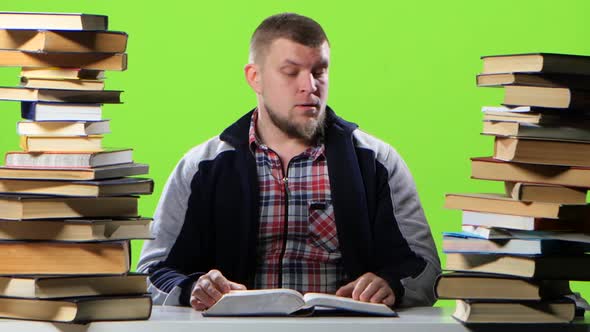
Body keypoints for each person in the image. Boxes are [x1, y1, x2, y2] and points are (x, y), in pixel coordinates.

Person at [137, 12, 441, 310]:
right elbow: (150, 273)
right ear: (255, 78)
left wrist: (390, 284)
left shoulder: (377, 162)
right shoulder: (201, 167)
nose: (309, 86)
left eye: (319, 71)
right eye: (291, 71)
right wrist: (194, 288)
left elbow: (426, 270)